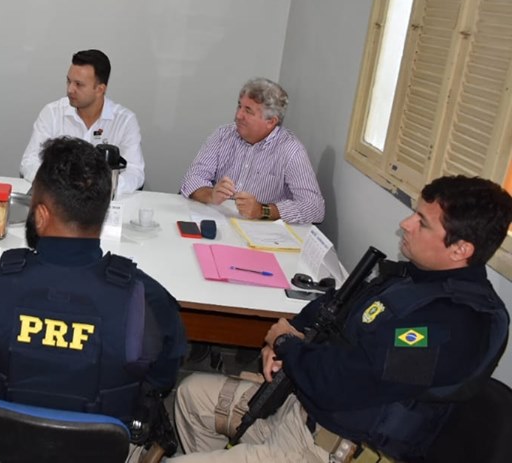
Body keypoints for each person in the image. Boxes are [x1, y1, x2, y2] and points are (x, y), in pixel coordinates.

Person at [170, 175, 512, 462]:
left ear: (460, 249)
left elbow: (340, 384)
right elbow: (332, 306)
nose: (405, 224)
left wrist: (285, 343)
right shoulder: (414, 279)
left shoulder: (457, 328)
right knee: (191, 395)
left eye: (422, 222)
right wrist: (294, 330)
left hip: (327, 446)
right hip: (298, 407)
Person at [0, 136, 187, 462]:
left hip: (3, 448)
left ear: (41, 215)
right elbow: (160, 379)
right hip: (102, 451)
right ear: (101, 213)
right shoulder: (146, 299)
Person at [179, 78, 324, 224]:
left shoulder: (291, 150)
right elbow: (191, 179)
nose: (238, 115)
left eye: (248, 111)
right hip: (218, 221)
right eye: (239, 106)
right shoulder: (223, 135)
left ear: (271, 122)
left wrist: (262, 210)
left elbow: (314, 208)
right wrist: (211, 195)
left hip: (261, 230)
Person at [20, 49, 146, 198]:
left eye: (78, 84)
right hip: (59, 199)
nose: (70, 89)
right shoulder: (52, 113)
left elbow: (135, 172)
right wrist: (58, 185)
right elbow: (29, 161)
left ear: (100, 89)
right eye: (69, 81)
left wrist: (100, 188)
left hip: (103, 203)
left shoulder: (124, 121)